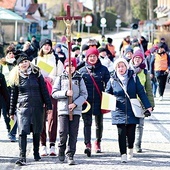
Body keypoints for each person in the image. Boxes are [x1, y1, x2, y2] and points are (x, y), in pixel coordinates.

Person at [8, 52, 52, 166]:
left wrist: (49, 105)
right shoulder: (16, 76)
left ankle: (36, 152)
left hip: (37, 106)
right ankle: (22, 156)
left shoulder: (36, 74)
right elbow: (13, 95)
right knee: (22, 132)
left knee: (37, 130)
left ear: (29, 62)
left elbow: (44, 90)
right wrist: (11, 111)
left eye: (26, 61)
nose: (24, 64)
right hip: (23, 108)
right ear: (18, 65)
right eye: (22, 62)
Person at [105, 58, 152, 163]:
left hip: (132, 109)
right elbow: (107, 93)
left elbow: (141, 92)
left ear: (126, 67)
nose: (121, 68)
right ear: (116, 68)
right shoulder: (112, 79)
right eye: (118, 67)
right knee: (121, 133)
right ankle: (123, 154)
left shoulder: (134, 78)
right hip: (118, 109)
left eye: (122, 66)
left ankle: (130, 148)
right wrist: (108, 102)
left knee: (131, 133)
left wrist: (148, 106)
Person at [52, 57, 88, 165]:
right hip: (63, 109)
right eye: (68, 66)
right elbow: (54, 93)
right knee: (63, 132)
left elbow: (84, 94)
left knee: (73, 133)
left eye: (72, 65)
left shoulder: (79, 78)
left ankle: (70, 154)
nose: (70, 68)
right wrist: (65, 93)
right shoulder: (60, 77)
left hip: (75, 110)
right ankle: (61, 149)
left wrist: (75, 103)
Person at [32, 38, 64, 156]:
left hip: (52, 92)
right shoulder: (35, 60)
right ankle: (43, 144)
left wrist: (52, 79)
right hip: (39, 93)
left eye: (48, 45)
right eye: (44, 45)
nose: (46, 47)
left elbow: (61, 76)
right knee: (40, 118)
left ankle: (52, 144)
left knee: (52, 118)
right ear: (41, 47)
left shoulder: (56, 61)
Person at [79, 48, 110, 157]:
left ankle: (98, 142)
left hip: (99, 100)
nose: (92, 58)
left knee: (99, 124)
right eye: (90, 56)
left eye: (94, 56)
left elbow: (109, 84)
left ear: (97, 57)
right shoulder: (82, 71)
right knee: (87, 123)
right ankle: (88, 144)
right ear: (87, 58)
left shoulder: (104, 69)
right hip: (86, 102)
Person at [129, 49, 155, 153]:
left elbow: (148, 89)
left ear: (142, 60)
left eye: (139, 58)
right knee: (129, 124)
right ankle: (128, 143)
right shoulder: (128, 70)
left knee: (140, 125)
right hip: (130, 101)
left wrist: (151, 104)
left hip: (141, 102)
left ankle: (137, 145)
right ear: (132, 59)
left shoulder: (145, 72)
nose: (137, 60)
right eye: (135, 58)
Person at [0, 45, 17, 142]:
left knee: (12, 112)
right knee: (4, 112)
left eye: (13, 53)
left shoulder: (17, 64)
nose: (11, 55)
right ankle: (8, 128)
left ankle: (12, 132)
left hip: (14, 90)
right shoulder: (2, 64)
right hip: (3, 91)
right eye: (10, 53)